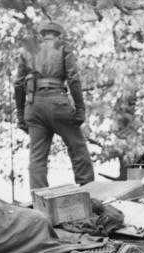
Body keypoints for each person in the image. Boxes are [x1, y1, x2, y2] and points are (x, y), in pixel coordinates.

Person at [13, 21, 95, 190]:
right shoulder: (63, 46)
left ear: (42, 34)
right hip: (57, 102)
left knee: (37, 157)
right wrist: (80, 108)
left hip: (33, 106)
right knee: (77, 146)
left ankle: (40, 198)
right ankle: (89, 190)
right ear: (59, 34)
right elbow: (73, 78)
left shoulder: (27, 50)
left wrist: (21, 116)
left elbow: (18, 84)